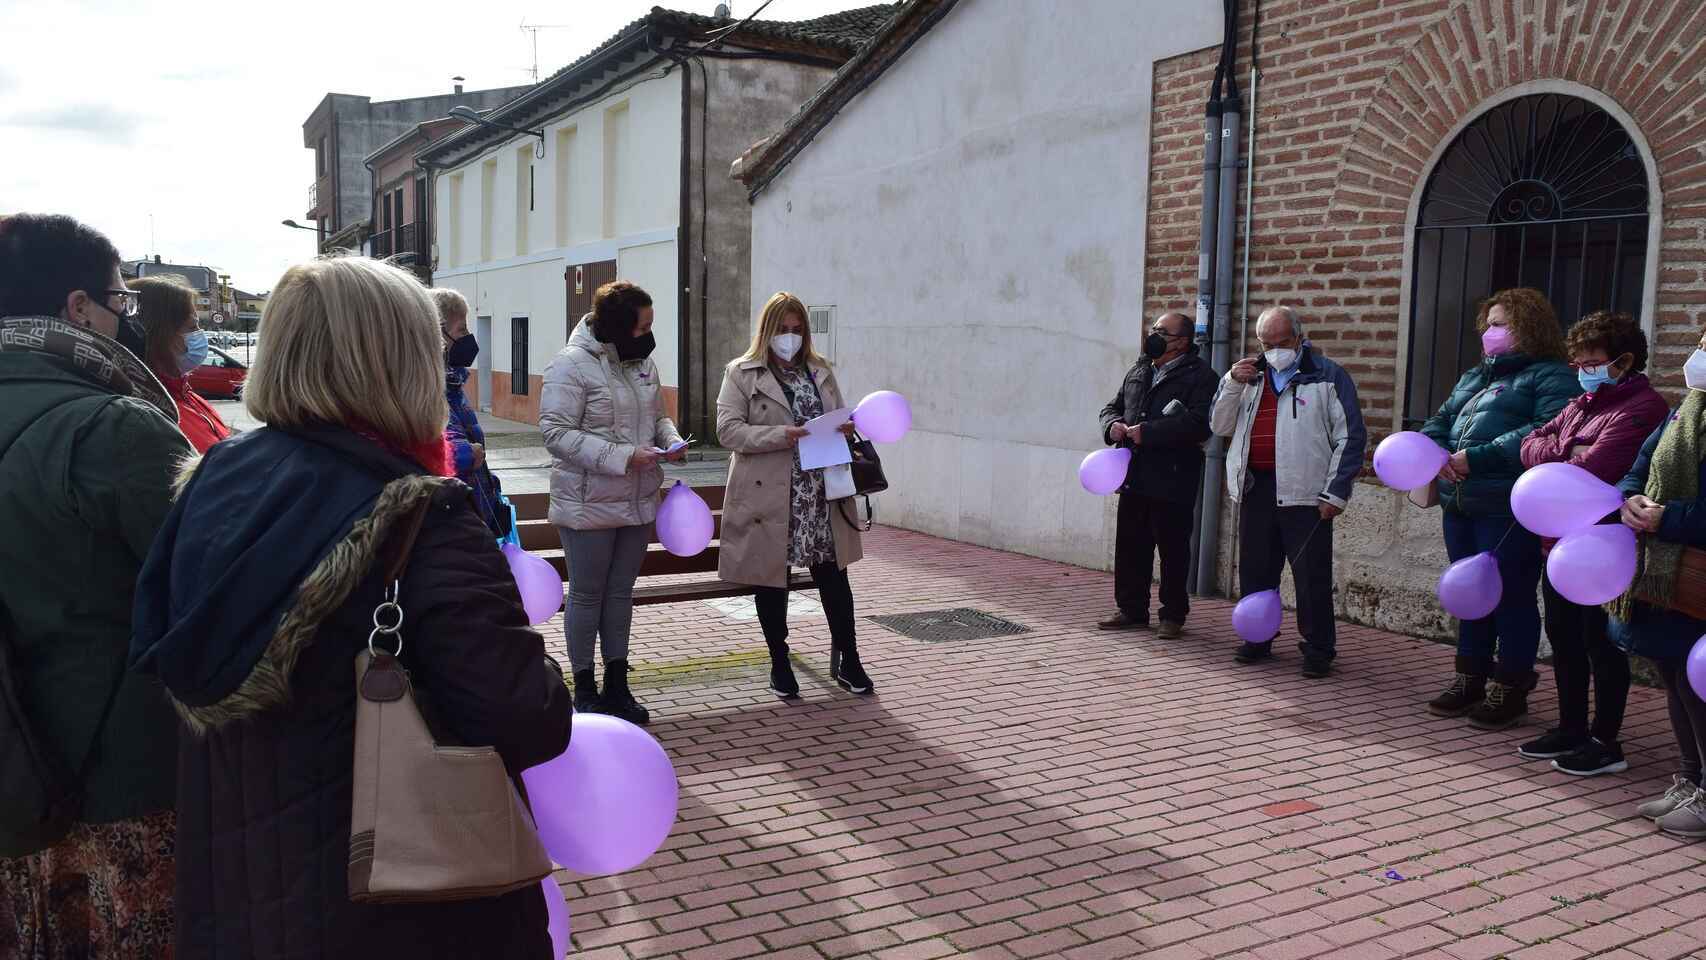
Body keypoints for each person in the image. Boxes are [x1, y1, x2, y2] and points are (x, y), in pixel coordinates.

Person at [128, 255, 573, 958]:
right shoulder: (422, 512)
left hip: (242, 889)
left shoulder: (214, 482)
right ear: (398, 362)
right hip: (405, 901)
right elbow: (526, 715)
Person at [0, 214, 192, 956]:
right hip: (123, 785)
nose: (128, 320)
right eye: (122, 301)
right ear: (79, 308)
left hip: (17, 783)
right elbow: (206, 595)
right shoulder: (116, 429)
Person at [1517, 311, 1667, 775]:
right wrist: (1565, 452)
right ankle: (1571, 727)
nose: (1583, 368)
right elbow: (1530, 445)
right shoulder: (1581, 403)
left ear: (1623, 361)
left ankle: (1606, 740)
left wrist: (1560, 457)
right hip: (1557, 543)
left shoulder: (1643, 407)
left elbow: (1598, 469)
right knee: (1563, 638)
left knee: (1599, 642)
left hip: (1603, 547)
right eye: (1578, 360)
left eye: (1592, 360)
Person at [1419, 288, 1577, 728]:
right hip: (1460, 504)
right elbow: (1440, 419)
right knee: (1471, 595)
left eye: (1500, 324)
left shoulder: (1551, 376)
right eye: (1487, 324)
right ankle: (1469, 676)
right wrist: (1433, 451)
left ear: (1528, 327)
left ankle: (1511, 684)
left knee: (1511, 596)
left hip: (1507, 507)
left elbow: (1545, 432)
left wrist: (1478, 457)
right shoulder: (1474, 376)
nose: (1490, 332)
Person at [540, 280, 684, 725]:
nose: (648, 335)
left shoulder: (642, 364)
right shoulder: (571, 366)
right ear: (618, 326)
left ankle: (617, 684)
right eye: (642, 327)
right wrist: (623, 457)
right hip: (589, 503)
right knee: (587, 594)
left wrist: (672, 439)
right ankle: (584, 688)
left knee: (620, 595)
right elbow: (556, 434)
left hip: (637, 498)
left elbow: (657, 417)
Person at [717, 291, 871, 699]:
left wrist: (846, 427)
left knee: (834, 577)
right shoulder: (742, 372)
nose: (790, 337)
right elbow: (728, 431)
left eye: (797, 330)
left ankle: (850, 658)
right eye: (782, 330)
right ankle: (779, 661)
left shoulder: (819, 370)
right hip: (771, 494)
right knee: (771, 580)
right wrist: (781, 436)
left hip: (821, 491)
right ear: (767, 331)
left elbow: (839, 414)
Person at [1211, 305, 1367, 678]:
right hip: (1255, 487)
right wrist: (1232, 381)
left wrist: (1335, 492)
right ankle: (1257, 637)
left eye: (1282, 342)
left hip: (1307, 494)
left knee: (1311, 575)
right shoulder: (1248, 376)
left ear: (1299, 338)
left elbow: (1351, 437)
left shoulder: (1328, 376)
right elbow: (1219, 425)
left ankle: (1318, 649)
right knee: (1255, 570)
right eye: (1266, 343)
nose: (1274, 350)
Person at [1605, 323, 1706, 838]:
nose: (1699, 356)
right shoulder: (1683, 412)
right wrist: (1632, 500)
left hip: (1697, 573)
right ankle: (1689, 781)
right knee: (1673, 673)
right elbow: (1638, 465)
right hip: (1661, 570)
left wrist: (1673, 517)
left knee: (1699, 682)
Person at [1096, 310, 1220, 638]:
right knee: (1130, 547)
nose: (1152, 335)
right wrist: (1113, 426)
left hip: (1173, 477)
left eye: (1161, 331)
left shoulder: (1202, 377)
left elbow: (1199, 424)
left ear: (1181, 342)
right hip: (1133, 474)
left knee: (1172, 550)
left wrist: (1147, 432)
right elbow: (1111, 407)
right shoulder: (1139, 369)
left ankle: (1172, 615)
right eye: (1153, 328)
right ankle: (1131, 609)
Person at [432, 287, 508, 538]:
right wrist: (467, 453)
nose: (468, 338)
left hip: (473, 509)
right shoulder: (429, 389)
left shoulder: (453, 386)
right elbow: (431, 446)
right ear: (438, 335)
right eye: (461, 330)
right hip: (454, 521)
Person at [134, 274, 233, 453]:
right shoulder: (152, 415)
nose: (200, 335)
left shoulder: (186, 396)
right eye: (192, 327)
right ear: (158, 335)